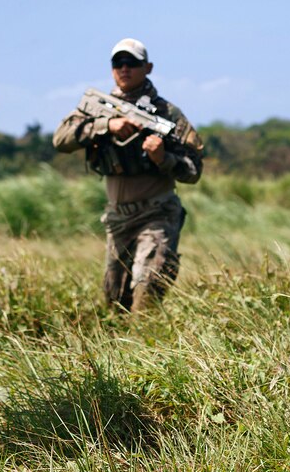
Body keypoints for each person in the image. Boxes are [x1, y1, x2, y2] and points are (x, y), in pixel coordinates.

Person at [53, 39, 203, 312]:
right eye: (118, 63)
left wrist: (164, 158)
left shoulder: (167, 114)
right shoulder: (99, 106)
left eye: (131, 63)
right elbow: (61, 139)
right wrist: (107, 125)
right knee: (115, 303)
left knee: (148, 291)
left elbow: (194, 170)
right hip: (117, 218)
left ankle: (151, 348)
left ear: (147, 67)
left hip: (156, 213)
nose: (124, 68)